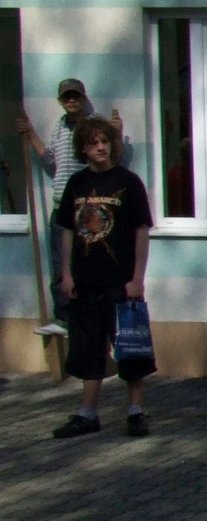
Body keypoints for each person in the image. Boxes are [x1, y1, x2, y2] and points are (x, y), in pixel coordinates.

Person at [49, 116, 155, 439]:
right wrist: (66, 274)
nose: (101, 148)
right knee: (87, 350)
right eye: (94, 143)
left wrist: (137, 278)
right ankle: (87, 413)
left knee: (131, 349)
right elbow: (67, 231)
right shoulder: (76, 184)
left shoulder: (128, 182)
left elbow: (141, 231)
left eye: (105, 141)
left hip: (120, 282)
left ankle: (135, 412)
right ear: (83, 148)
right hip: (84, 282)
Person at [17, 78, 113, 335]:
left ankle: (91, 318)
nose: (71, 100)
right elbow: (50, 162)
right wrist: (30, 134)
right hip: (61, 205)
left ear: (83, 98)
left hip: (87, 206)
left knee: (90, 262)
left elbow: (109, 157)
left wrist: (116, 133)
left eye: (76, 96)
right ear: (61, 101)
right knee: (61, 264)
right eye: (67, 97)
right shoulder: (59, 128)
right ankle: (64, 319)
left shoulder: (93, 128)